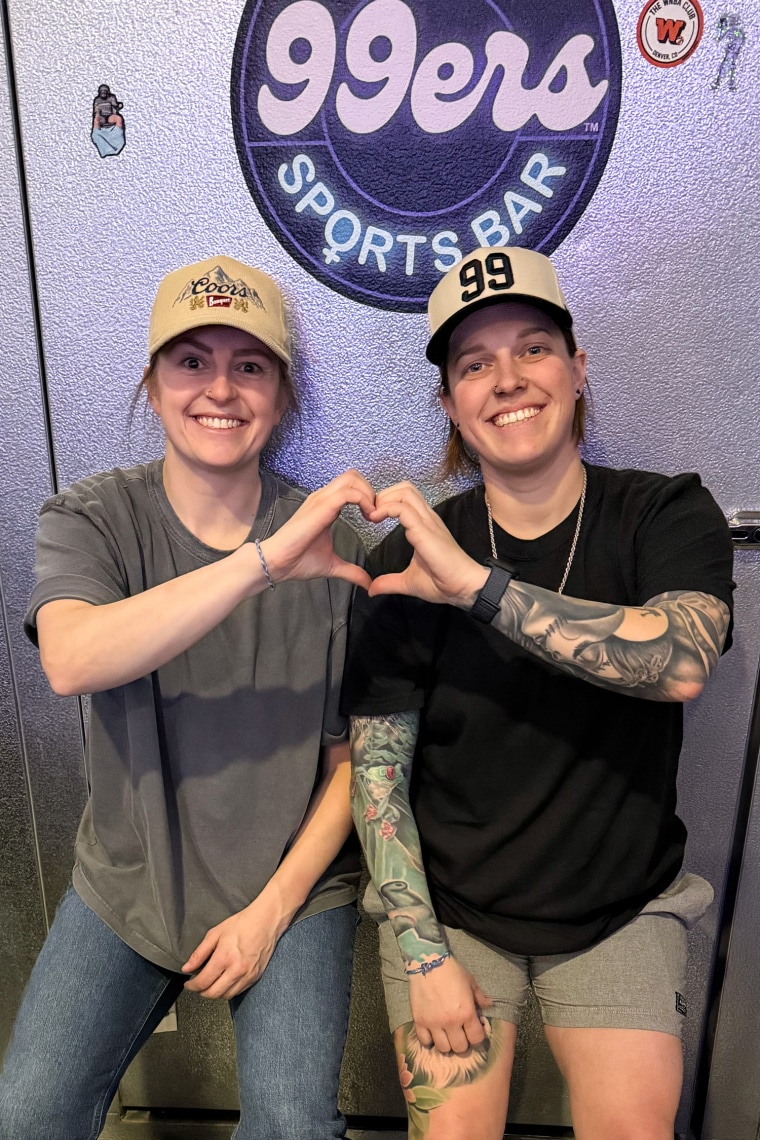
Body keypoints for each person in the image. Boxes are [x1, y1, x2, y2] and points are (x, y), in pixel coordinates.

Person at [343, 246, 734, 1140]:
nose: (507, 379)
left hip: (619, 913)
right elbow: (377, 784)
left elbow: (679, 661)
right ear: (448, 402)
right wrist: (423, 952)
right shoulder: (404, 558)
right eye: (474, 364)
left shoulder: (665, 512)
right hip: (454, 916)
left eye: (533, 348)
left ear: (577, 366)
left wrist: (479, 587)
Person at [0, 256, 375, 1140]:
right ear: (155, 386)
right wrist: (262, 563)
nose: (221, 389)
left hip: (291, 890)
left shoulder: (339, 547)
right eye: (191, 361)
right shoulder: (92, 519)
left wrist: (271, 911)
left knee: (292, 1128)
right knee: (30, 1114)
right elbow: (72, 659)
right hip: (130, 880)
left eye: (250, 366)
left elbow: (352, 761)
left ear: (281, 397)